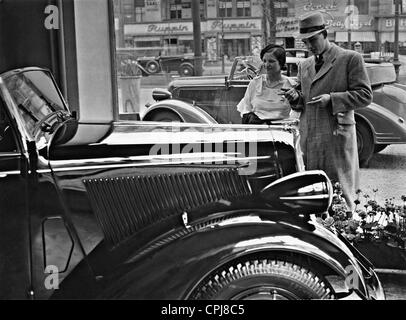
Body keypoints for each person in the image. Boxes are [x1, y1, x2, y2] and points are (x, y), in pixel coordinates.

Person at [284, 12, 372, 210]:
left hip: (337, 137)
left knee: (341, 194)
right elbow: (304, 100)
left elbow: (365, 95)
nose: (309, 46)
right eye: (305, 42)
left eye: (313, 40)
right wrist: (295, 98)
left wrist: (332, 100)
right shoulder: (304, 65)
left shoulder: (350, 59)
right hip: (310, 138)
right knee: (314, 193)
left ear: (325, 34)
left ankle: (345, 233)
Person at [237, 44, 298, 124]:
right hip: (258, 131)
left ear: (281, 63)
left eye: (271, 61)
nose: (266, 65)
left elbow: (296, 114)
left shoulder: (292, 85)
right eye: (264, 61)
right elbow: (245, 108)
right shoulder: (255, 83)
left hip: (283, 132)